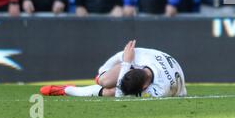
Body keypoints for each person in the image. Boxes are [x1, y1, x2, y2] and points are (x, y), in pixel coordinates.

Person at [40, 39, 187, 98]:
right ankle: (100, 78)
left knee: (110, 91)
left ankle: (65, 89)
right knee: (104, 80)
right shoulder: (140, 57)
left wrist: (126, 65)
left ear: (146, 86)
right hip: (159, 63)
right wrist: (103, 71)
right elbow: (119, 56)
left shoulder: (159, 91)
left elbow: (119, 94)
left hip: (176, 88)